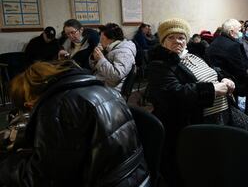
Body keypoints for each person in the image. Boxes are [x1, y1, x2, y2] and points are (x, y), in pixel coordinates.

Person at [147, 18, 248, 187]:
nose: (177, 41)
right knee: (213, 163)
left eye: (181, 37)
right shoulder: (160, 65)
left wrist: (225, 79)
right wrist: (213, 90)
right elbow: (175, 94)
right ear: (163, 41)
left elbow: (212, 72)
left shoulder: (193, 55)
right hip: (196, 120)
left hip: (224, 110)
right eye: (171, 37)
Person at [0, 60, 149, 186]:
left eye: (28, 108)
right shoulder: (106, 90)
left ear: (31, 100)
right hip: (137, 175)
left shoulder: (56, 107)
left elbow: (41, 179)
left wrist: (8, 164)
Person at [206, 18, 248, 96]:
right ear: (231, 32)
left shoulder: (215, 41)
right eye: (239, 30)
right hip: (231, 84)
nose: (241, 33)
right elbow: (240, 69)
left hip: (216, 80)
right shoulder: (233, 45)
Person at [89, 23, 136, 92]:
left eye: (102, 39)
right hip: (101, 81)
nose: (100, 41)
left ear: (112, 39)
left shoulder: (124, 53)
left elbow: (117, 75)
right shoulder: (110, 48)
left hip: (111, 89)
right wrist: (94, 58)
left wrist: (101, 59)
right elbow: (95, 68)